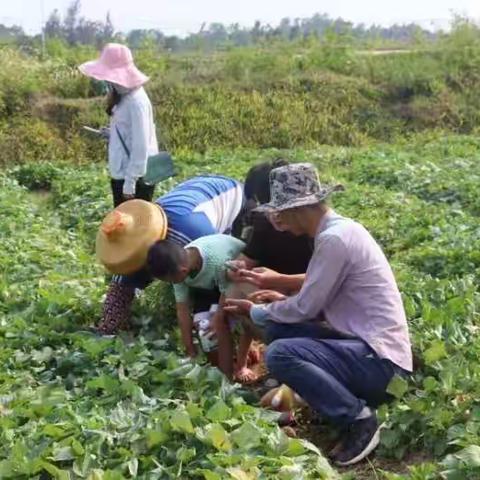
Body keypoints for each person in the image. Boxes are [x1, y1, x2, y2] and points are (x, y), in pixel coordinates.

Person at [225, 163, 412, 467]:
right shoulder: (335, 232)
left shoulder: (333, 239)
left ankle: (359, 418)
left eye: (281, 212)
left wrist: (256, 309)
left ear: (299, 209)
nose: (279, 219)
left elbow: (305, 308)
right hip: (365, 349)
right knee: (278, 331)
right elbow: (316, 292)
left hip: (383, 366)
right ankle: (321, 395)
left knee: (279, 353)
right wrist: (276, 295)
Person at [96, 175, 244, 335]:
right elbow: (122, 283)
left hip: (230, 196)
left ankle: (234, 327)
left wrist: (218, 314)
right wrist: (108, 326)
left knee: (214, 283)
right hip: (191, 191)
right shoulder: (135, 244)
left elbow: (227, 276)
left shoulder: (197, 237)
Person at [146, 235, 258, 382]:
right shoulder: (178, 265)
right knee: (207, 333)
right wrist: (190, 350)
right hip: (210, 288)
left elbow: (226, 294)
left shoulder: (217, 261)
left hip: (238, 278)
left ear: (183, 271)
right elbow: (182, 310)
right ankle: (224, 371)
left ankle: (239, 366)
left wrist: (218, 319)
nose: (172, 283)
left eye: (171, 281)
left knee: (239, 317)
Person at [79, 43, 158, 207]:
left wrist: (130, 182)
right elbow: (129, 132)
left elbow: (141, 146)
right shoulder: (124, 96)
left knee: (134, 229)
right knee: (124, 226)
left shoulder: (136, 102)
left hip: (134, 178)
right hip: (124, 173)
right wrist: (111, 133)